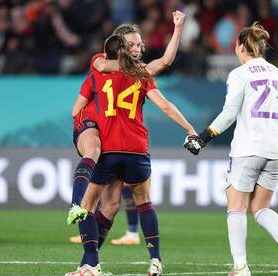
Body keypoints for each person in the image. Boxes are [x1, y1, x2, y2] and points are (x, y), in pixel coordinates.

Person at [66, 34, 196, 276]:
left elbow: (77, 107)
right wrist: (189, 129)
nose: (138, 48)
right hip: (137, 149)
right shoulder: (141, 74)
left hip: (109, 148)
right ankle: (155, 260)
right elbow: (166, 105)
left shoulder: (99, 70)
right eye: (133, 44)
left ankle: (89, 263)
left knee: (89, 205)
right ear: (126, 49)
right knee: (142, 203)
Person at [184, 22, 278, 276]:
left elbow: (229, 114)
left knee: (236, 207)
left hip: (248, 148)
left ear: (239, 47)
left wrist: (203, 138)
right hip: (276, 149)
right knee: (261, 208)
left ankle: (240, 266)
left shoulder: (240, 74)